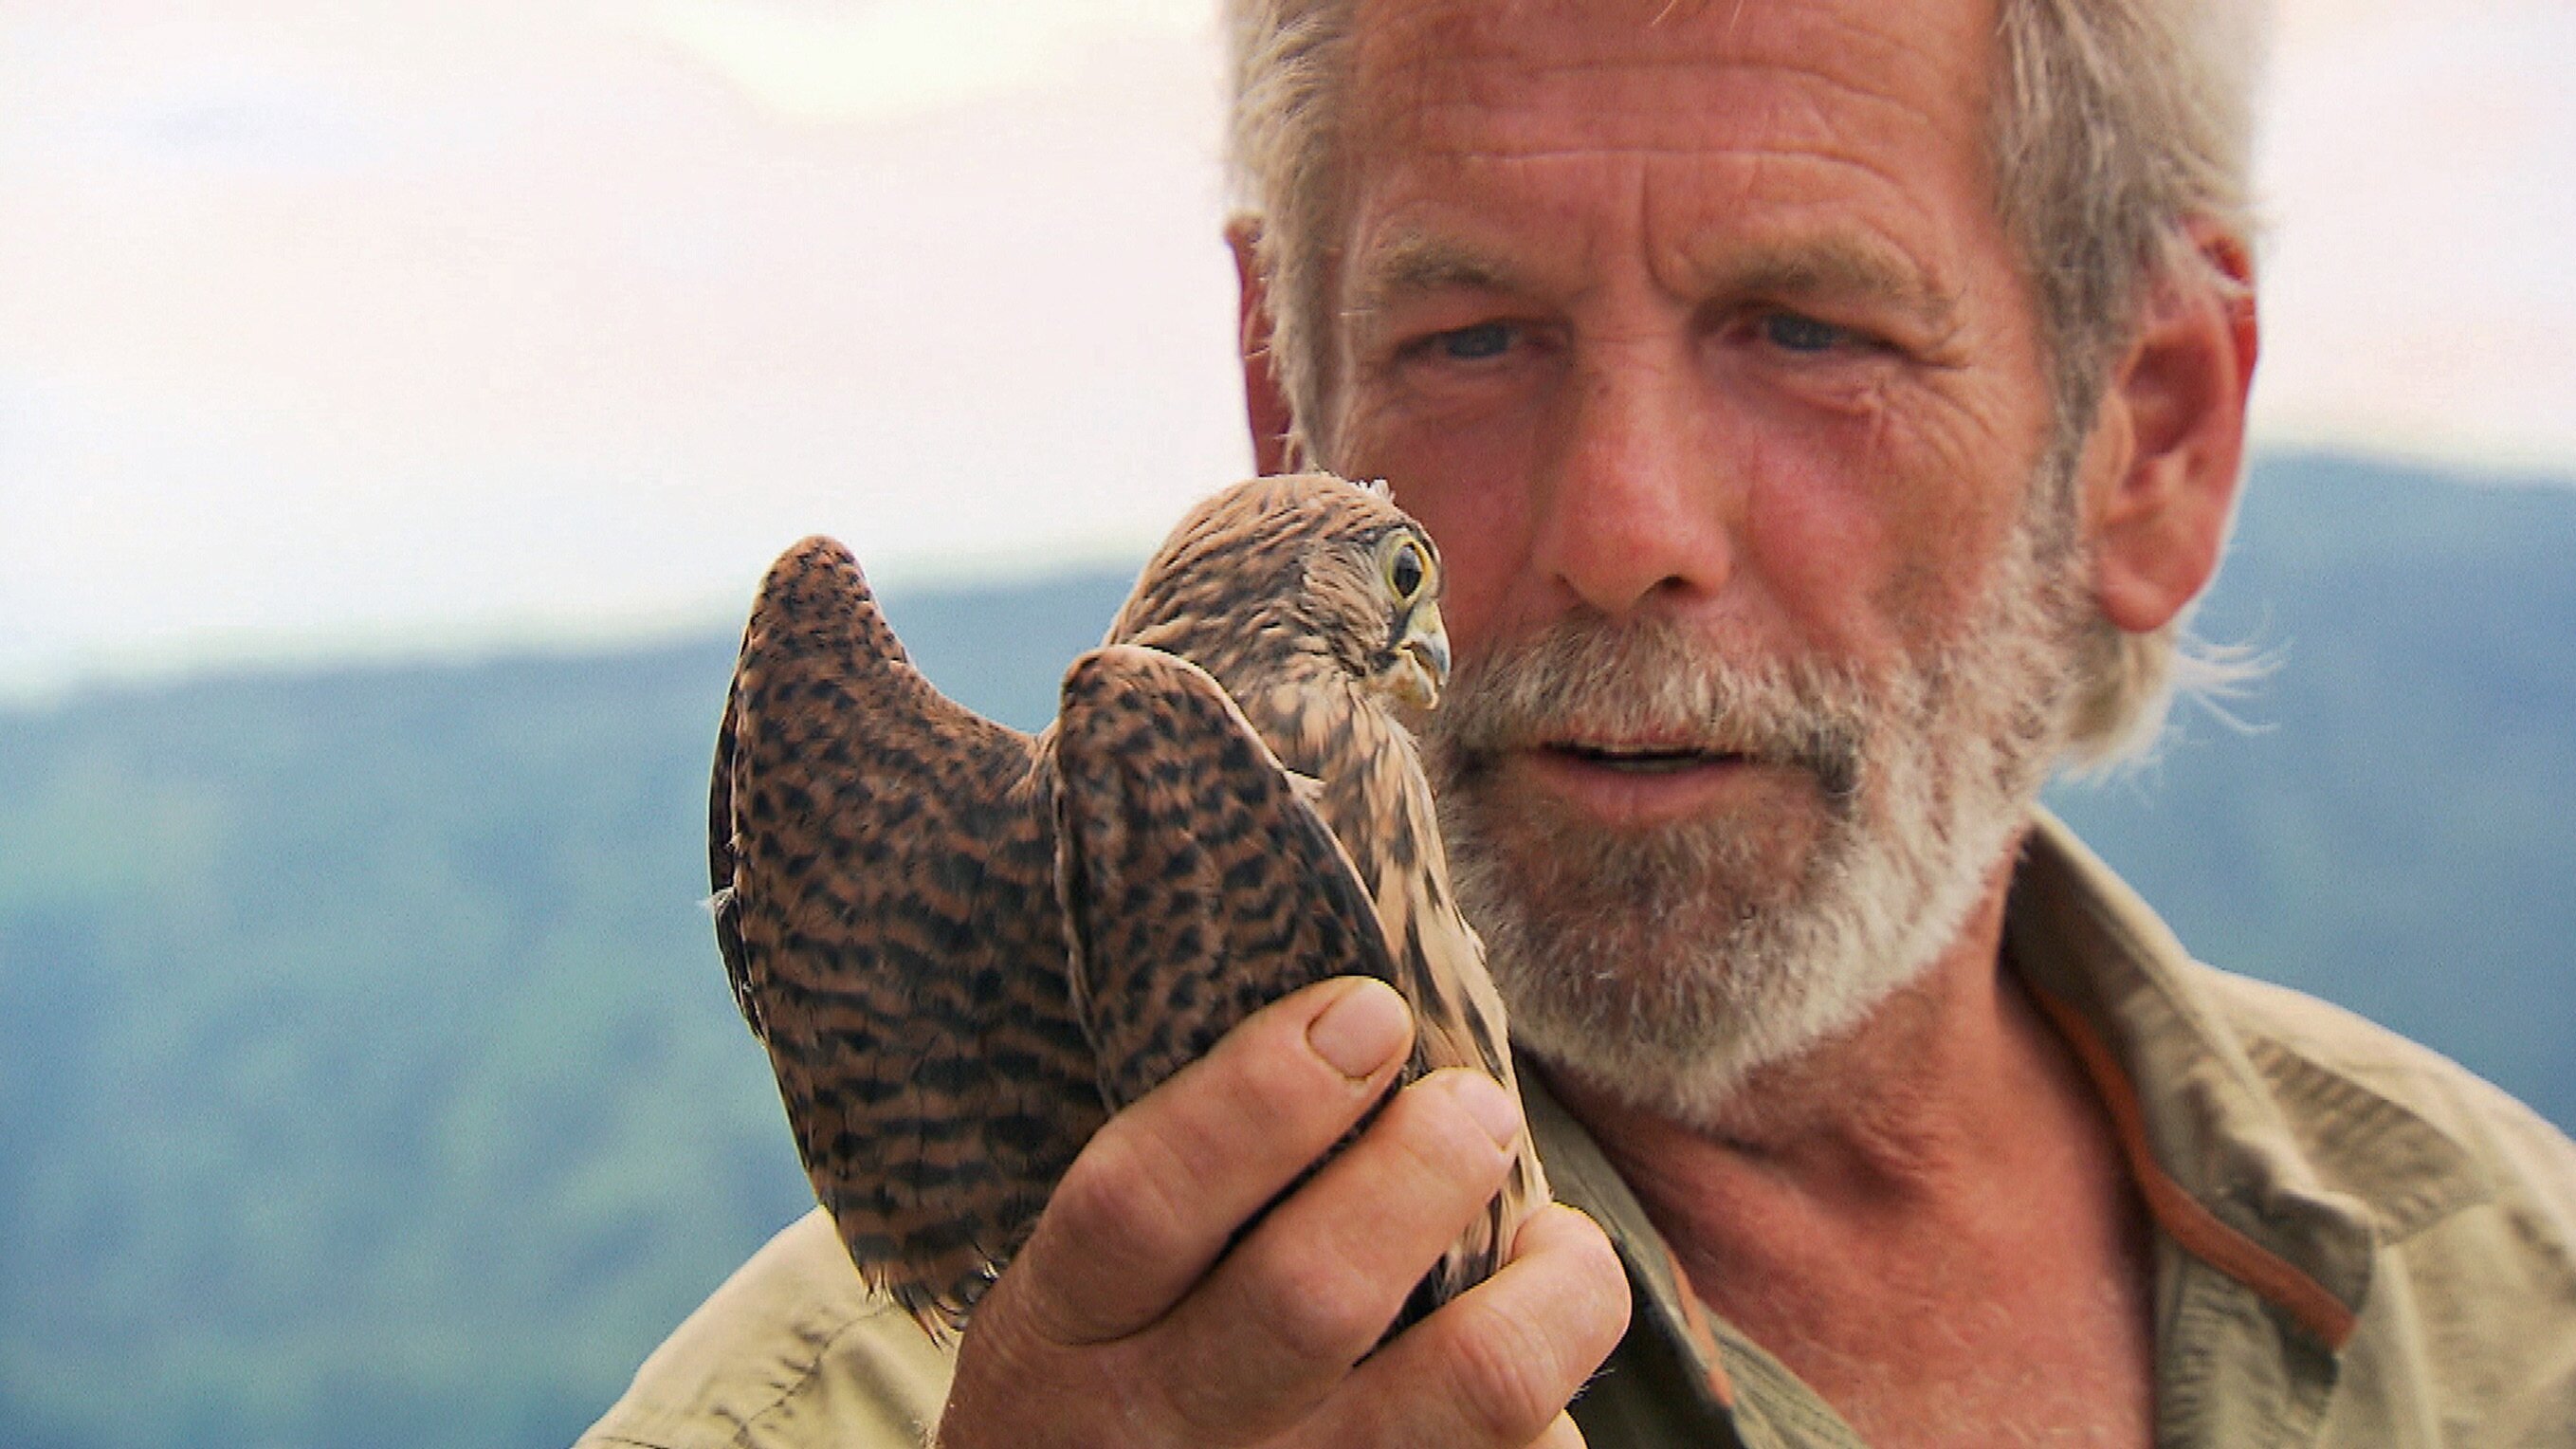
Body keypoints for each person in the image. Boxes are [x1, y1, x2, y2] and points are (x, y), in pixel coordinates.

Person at [580, 0, 2576, 1443]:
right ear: (1291, 413)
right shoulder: (885, 1408)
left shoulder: (2515, 1291)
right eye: (1471, 338)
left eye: (1808, 331)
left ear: (2149, 438)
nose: (1622, 526)